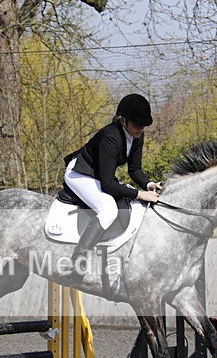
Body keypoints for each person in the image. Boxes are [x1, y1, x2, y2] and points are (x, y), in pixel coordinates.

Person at [58, 93, 161, 264]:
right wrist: (140, 194)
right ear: (123, 120)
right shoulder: (111, 137)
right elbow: (107, 184)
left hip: (98, 174)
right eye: (137, 124)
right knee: (109, 210)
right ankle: (78, 260)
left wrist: (149, 184)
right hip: (79, 174)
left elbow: (135, 169)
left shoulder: (137, 137)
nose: (140, 129)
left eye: (143, 125)